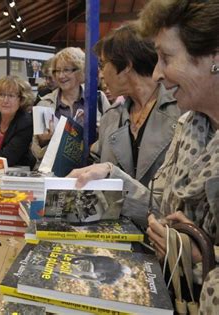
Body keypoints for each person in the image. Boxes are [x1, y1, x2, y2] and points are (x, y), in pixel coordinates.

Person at [69, 0, 219, 311]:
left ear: (214, 58)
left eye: (165, 58)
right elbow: (158, 206)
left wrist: (201, 256)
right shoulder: (191, 126)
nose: (157, 73)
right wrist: (110, 174)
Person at [92, 23, 181, 187]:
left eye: (102, 64)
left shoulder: (182, 110)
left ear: (126, 65)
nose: (101, 73)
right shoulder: (110, 118)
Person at [31, 47, 110, 161]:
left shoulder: (98, 99)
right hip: (54, 172)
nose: (61, 76)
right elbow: (37, 153)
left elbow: (110, 139)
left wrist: (97, 131)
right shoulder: (44, 104)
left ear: (80, 70)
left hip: (91, 170)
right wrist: (44, 140)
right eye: (57, 71)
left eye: (66, 70)